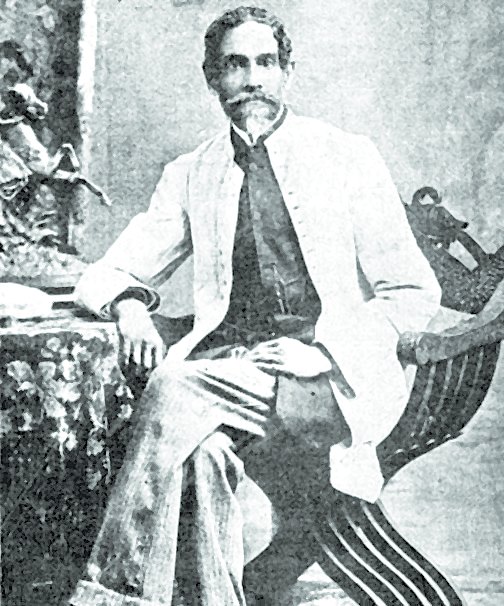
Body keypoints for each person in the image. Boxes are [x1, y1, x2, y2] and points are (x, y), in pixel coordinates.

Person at [69, 6, 441, 606]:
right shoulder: (194, 172)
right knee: (204, 453)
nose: (252, 80)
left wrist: (323, 353)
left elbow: (413, 292)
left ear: (287, 71)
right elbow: (110, 271)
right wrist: (130, 305)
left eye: (266, 63)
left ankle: (109, 595)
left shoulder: (346, 156)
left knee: (173, 386)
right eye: (235, 65)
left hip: (329, 381)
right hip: (235, 373)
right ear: (211, 78)